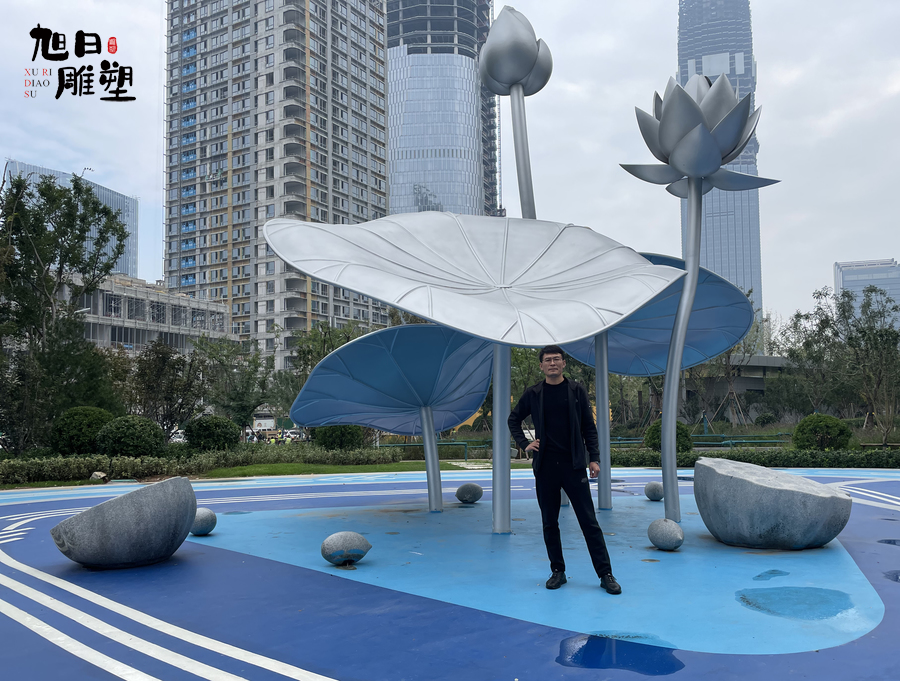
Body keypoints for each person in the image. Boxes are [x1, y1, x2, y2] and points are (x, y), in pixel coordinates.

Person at [508, 345, 621, 595]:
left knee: (589, 521)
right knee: (550, 522)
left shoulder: (576, 390)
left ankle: (605, 574)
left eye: (556, 359)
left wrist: (594, 458)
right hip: (546, 466)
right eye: (548, 360)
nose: (552, 363)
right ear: (541, 366)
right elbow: (513, 419)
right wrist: (525, 443)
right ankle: (557, 571)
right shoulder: (534, 393)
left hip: (573, 466)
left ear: (563, 363)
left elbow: (588, 427)